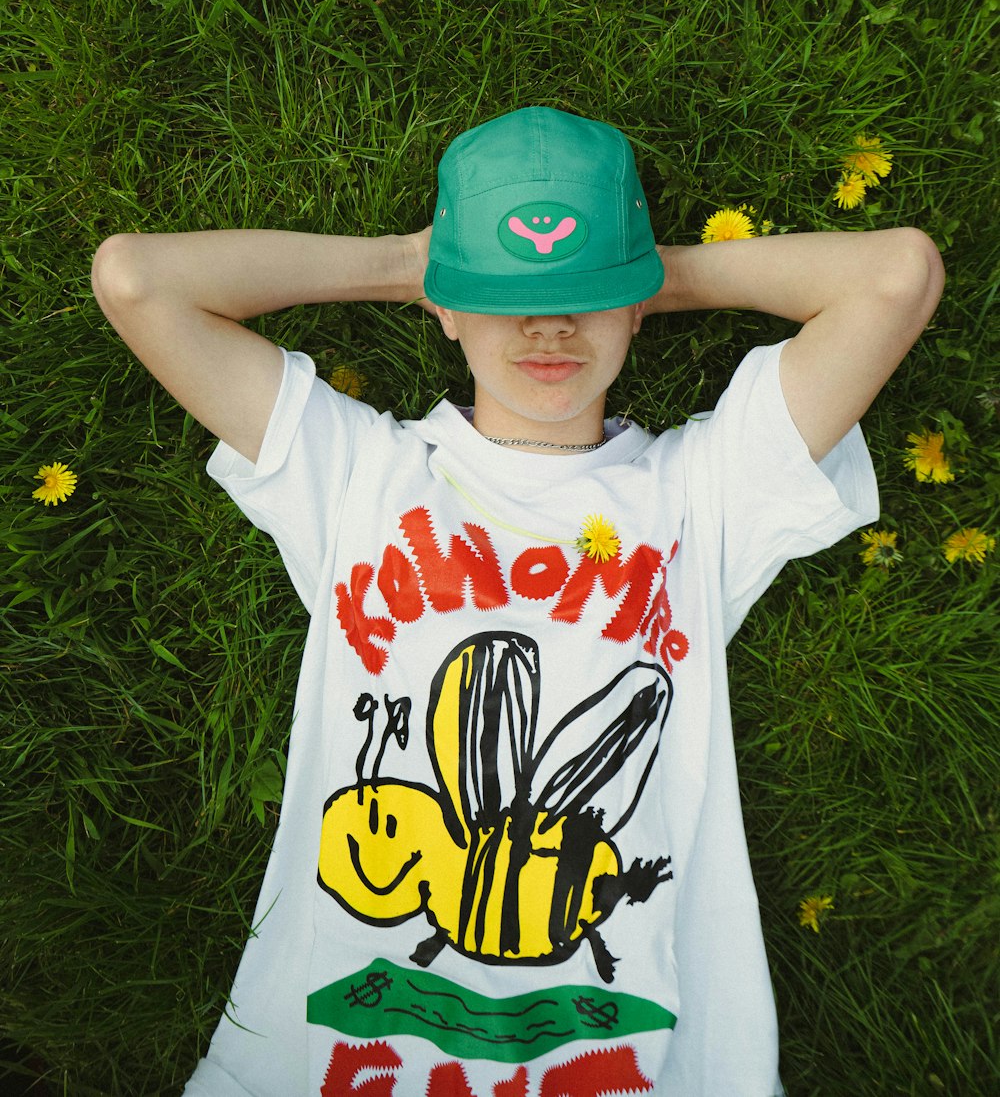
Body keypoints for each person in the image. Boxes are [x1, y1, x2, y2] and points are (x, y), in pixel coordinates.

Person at [90, 106, 944, 1097]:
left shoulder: (706, 491)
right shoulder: (356, 471)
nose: (547, 329)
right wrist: (413, 265)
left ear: (635, 304)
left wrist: (643, 273)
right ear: (445, 309)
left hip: (631, 1067)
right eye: (506, 299)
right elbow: (136, 280)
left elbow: (896, 276)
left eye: (585, 297)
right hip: (323, 1061)